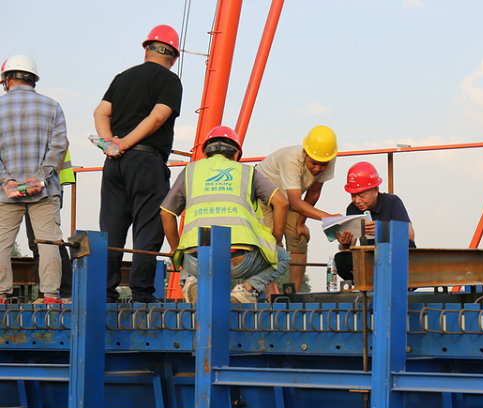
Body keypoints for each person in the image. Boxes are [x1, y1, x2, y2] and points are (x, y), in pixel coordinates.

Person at [93, 24, 183, 303]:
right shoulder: (169, 81)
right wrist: (127, 142)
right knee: (148, 226)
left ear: (146, 49)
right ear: (174, 57)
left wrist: (110, 144)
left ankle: (105, 294)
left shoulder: (122, 77)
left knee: (111, 228)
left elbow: (100, 112)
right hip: (146, 160)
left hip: (114, 163)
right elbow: (157, 118)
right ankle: (142, 294)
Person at [160, 126, 291, 303]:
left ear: (206, 153)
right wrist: (276, 241)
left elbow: (166, 213)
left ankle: (189, 281)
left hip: (197, 260)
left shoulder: (190, 171)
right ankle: (246, 290)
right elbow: (282, 203)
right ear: (236, 154)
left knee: (182, 253)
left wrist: (175, 249)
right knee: (282, 257)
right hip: (238, 260)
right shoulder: (248, 173)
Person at [0, 55, 67, 304]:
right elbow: (58, 148)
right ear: (33, 79)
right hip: (44, 191)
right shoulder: (53, 107)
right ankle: (50, 296)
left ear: (8, 79)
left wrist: (6, 181)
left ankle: (0, 295)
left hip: (5, 194)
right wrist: (39, 179)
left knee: (1, 244)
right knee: (49, 243)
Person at [256, 125, 340, 292]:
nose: (317, 168)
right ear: (304, 153)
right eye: (313, 163)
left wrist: (301, 223)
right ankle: (269, 294)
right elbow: (296, 202)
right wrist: (328, 217)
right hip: (263, 197)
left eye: (323, 165)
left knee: (298, 237)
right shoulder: (291, 159)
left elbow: (313, 193)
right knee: (270, 241)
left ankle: (294, 292)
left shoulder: (328, 159)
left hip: (286, 198)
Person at [334, 162, 416, 281]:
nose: (357, 201)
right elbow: (349, 247)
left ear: (376, 191)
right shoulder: (352, 209)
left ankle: (399, 282)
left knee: (408, 246)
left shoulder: (392, 202)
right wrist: (344, 243)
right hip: (369, 259)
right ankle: (367, 284)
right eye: (353, 196)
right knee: (341, 259)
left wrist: (383, 230)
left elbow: (410, 235)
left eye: (362, 196)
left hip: (391, 256)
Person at [25, 143, 75, 298]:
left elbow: (63, 143)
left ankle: (62, 293)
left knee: (47, 241)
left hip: (46, 186)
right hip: (33, 185)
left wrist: (47, 178)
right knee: (40, 242)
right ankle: (53, 292)